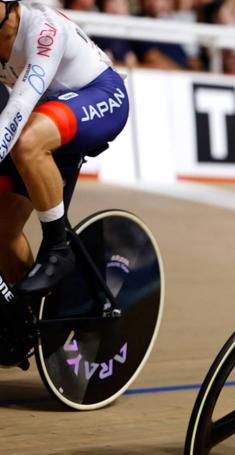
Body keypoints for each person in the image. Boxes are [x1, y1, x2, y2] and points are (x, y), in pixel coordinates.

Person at [0, 0, 129, 295]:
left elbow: (18, 108)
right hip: (46, 111)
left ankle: (58, 248)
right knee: (3, 230)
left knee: (26, 142)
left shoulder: (43, 29)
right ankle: (24, 321)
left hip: (99, 94)